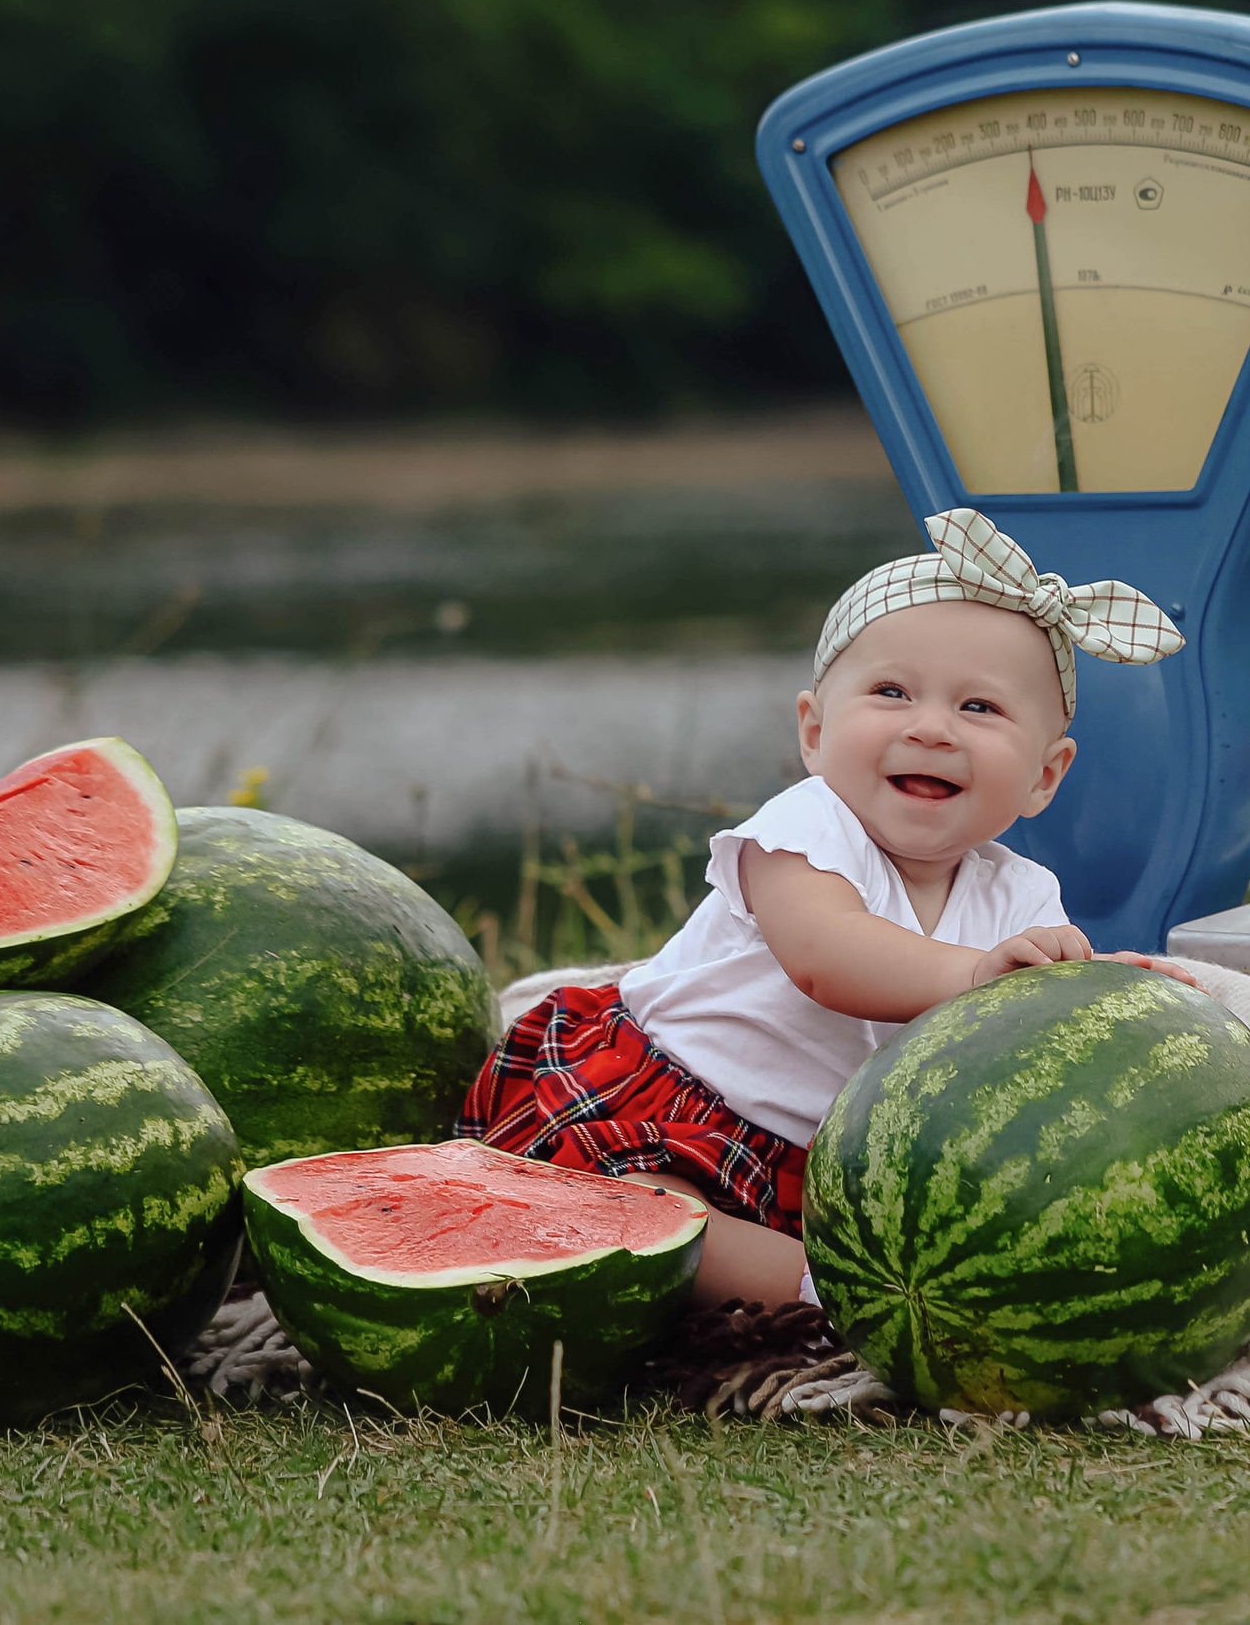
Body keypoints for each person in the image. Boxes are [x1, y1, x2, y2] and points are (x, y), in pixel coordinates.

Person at [457, 508, 1195, 1306]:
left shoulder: (1022, 895)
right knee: (652, 1218)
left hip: (831, 1164)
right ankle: (828, 1302)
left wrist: (1100, 997)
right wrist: (982, 975)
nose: (931, 727)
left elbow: (1019, 1047)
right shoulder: (805, 827)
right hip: (674, 1103)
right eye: (891, 691)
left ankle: (848, 1286)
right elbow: (826, 955)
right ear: (814, 730)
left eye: (979, 709)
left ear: (1045, 777)